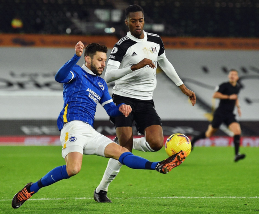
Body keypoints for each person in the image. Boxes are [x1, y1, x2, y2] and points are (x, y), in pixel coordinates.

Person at [11, 41, 187, 209]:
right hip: (72, 125)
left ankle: (157, 165)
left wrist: (122, 108)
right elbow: (59, 77)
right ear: (87, 59)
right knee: (73, 169)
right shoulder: (76, 73)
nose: (103, 64)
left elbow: (111, 110)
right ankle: (32, 188)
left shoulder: (101, 84)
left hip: (89, 130)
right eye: (100, 60)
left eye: (105, 60)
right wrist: (75, 57)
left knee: (121, 152)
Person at [94, 4, 196, 203]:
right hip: (123, 99)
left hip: (146, 100)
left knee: (157, 143)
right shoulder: (121, 46)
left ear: (144, 20)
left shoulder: (156, 41)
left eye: (140, 20)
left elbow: (165, 62)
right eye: (133, 21)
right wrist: (134, 66)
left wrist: (182, 87)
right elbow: (108, 76)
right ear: (127, 22)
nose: (138, 24)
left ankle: (126, 144)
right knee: (124, 150)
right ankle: (101, 190)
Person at [191, 69, 246, 162]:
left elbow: (235, 97)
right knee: (209, 134)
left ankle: (237, 154)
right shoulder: (224, 85)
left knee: (237, 132)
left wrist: (239, 107)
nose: (232, 76)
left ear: (237, 77)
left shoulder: (237, 87)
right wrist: (228, 97)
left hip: (230, 114)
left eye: (234, 74)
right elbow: (215, 95)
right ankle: (193, 141)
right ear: (229, 76)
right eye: (231, 74)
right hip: (220, 113)